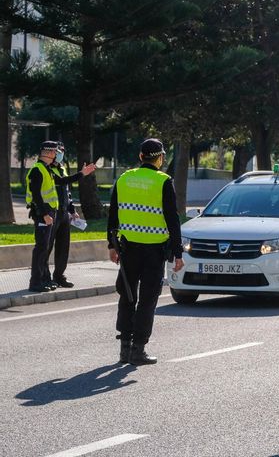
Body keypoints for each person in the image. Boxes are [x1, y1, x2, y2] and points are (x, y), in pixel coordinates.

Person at [107, 138, 184, 365]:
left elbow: (113, 215)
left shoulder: (124, 179)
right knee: (148, 299)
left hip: (128, 248)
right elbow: (173, 219)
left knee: (128, 295)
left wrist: (111, 245)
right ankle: (138, 350)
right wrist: (178, 253)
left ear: (141, 156)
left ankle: (124, 349)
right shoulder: (163, 181)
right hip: (154, 251)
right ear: (160, 158)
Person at [47, 142, 98, 288]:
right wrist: (82, 174)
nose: (59, 154)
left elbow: (67, 192)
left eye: (62, 151)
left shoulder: (62, 168)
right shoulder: (46, 169)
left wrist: (72, 209)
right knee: (47, 246)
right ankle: (44, 276)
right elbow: (61, 182)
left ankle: (59, 276)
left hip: (63, 213)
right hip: (51, 212)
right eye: (57, 151)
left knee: (63, 247)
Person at [26, 142, 61, 292]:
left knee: (44, 248)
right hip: (42, 214)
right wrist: (45, 214)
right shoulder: (37, 170)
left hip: (48, 212)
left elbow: (61, 181)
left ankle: (41, 280)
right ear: (47, 152)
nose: (56, 155)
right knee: (40, 248)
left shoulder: (47, 169)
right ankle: (35, 283)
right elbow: (36, 196)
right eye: (55, 152)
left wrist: (82, 174)